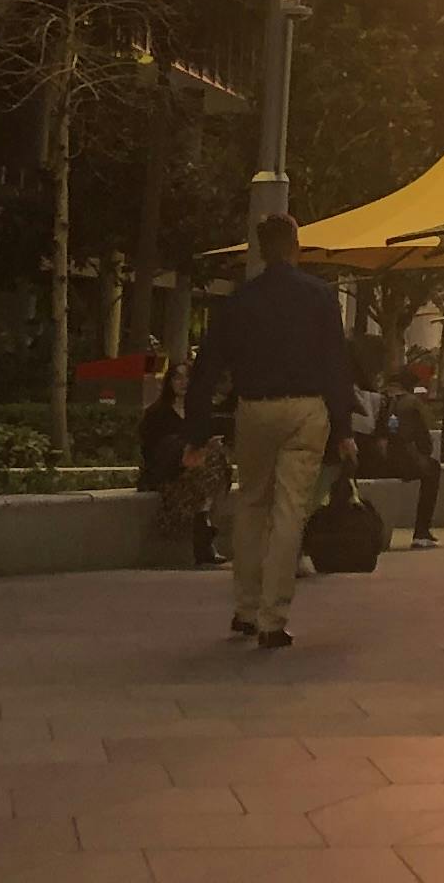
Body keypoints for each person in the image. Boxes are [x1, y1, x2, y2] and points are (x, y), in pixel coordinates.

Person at [183, 216, 356, 651]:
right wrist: (344, 427)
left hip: (254, 409)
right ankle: (272, 619)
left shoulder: (240, 301)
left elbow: (207, 369)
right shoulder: (319, 298)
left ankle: (244, 607)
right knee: (288, 512)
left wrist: (197, 432)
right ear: (296, 246)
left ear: (259, 250)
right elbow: (337, 366)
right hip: (305, 409)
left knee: (251, 505)